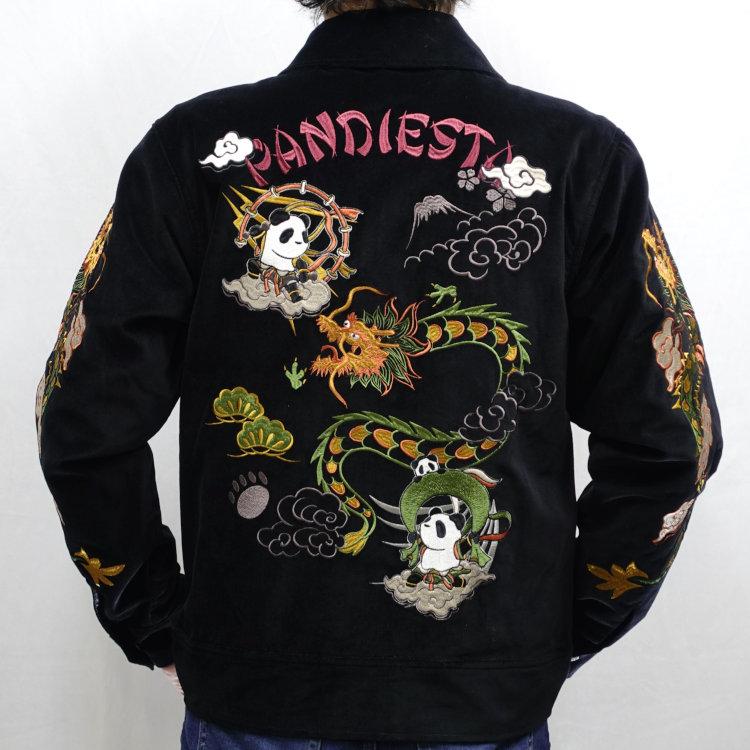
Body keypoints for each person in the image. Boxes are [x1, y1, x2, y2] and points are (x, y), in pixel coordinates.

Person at [36, 1, 722, 748]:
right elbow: (674, 437)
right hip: (482, 695)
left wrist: (151, 619)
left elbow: (79, 417)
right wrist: (566, 625)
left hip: (254, 688)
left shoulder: (192, 149)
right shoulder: (583, 156)